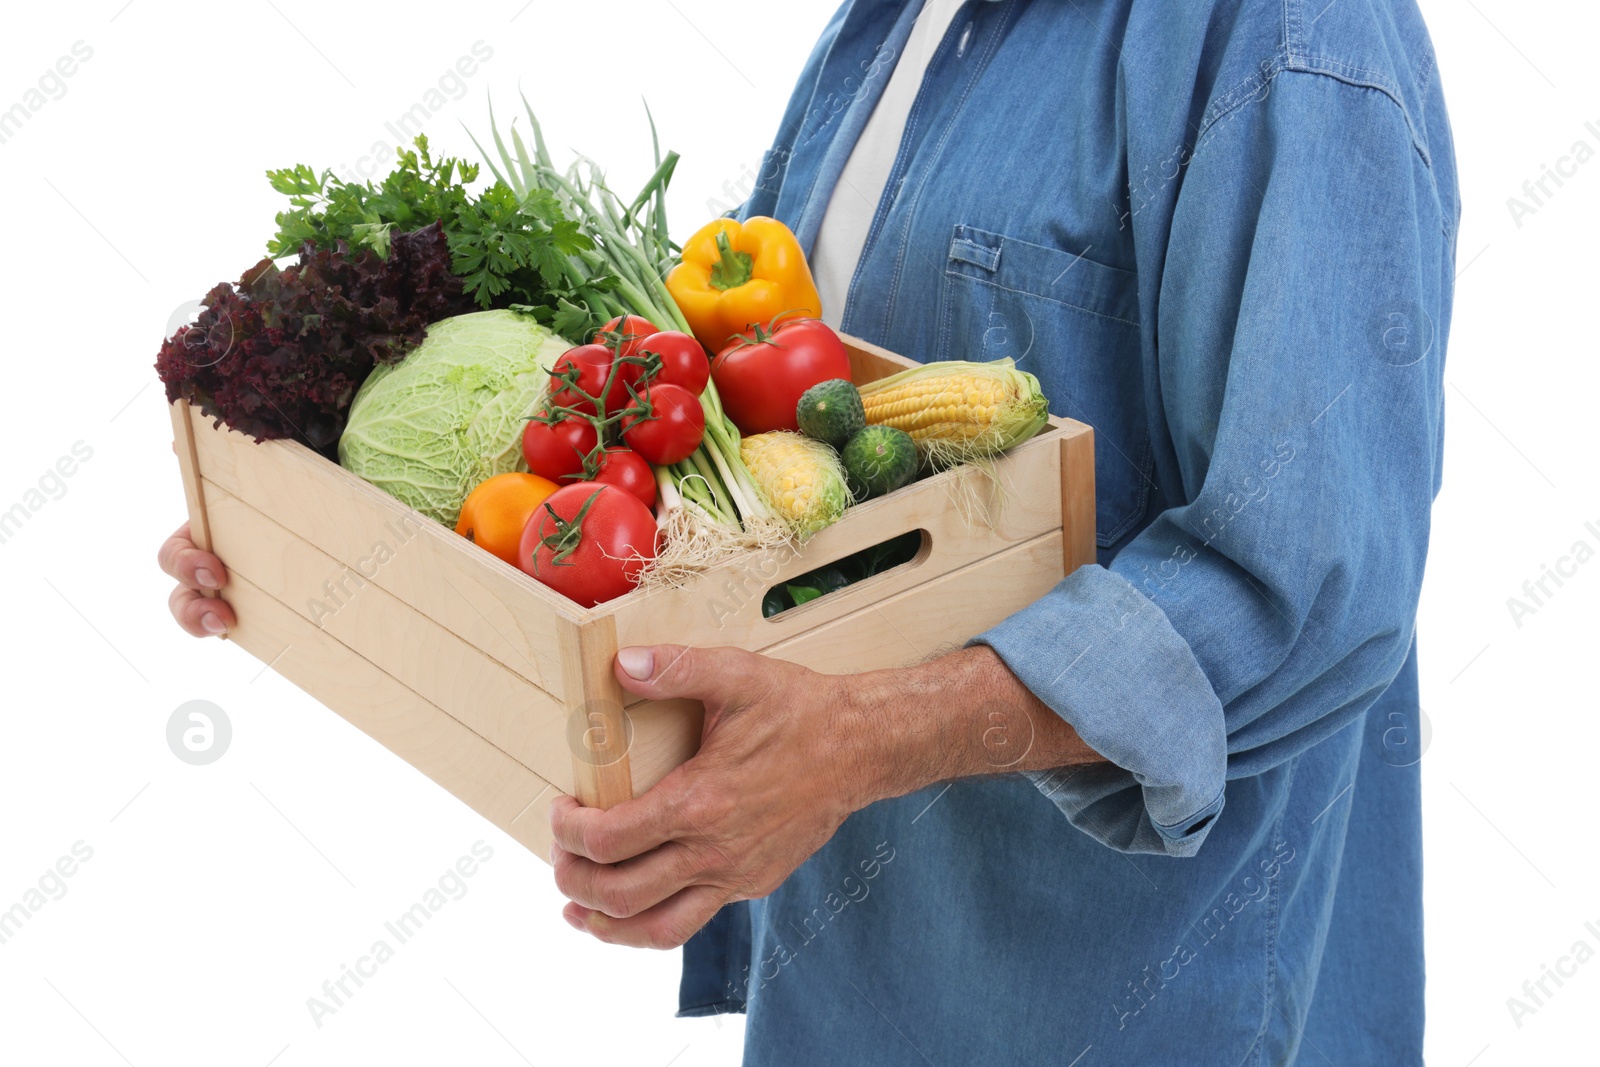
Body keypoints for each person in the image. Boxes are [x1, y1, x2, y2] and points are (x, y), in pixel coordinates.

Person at [162, 0, 1457, 1060]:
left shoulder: (1290, 38)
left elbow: (1307, 578)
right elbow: (762, 453)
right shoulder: (889, 29)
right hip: (851, 984)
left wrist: (860, 742)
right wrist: (320, 557)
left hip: (1134, 1001)